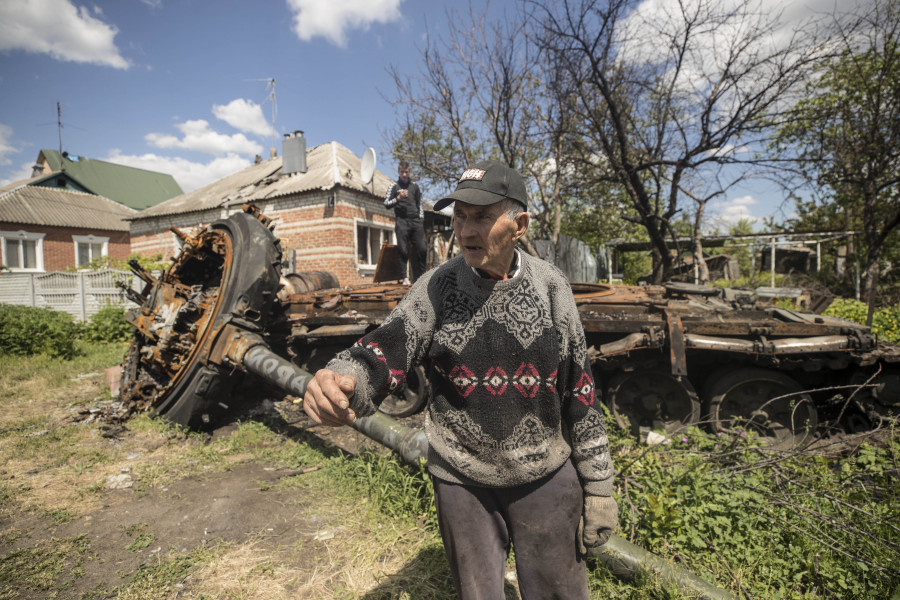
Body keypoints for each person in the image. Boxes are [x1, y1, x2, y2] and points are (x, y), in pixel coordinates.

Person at [304, 160, 617, 599]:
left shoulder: (552, 288)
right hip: (462, 477)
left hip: (544, 475)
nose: (465, 232)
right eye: (460, 217)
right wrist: (343, 381)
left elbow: (580, 391)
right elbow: (387, 346)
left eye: (482, 217)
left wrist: (599, 487)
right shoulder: (436, 287)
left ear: (519, 224)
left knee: (560, 592)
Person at [384, 160, 427, 283]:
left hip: (415, 221)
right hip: (402, 221)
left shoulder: (414, 186)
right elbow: (386, 203)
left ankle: (422, 277)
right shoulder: (394, 186)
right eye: (402, 172)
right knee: (403, 249)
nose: (404, 174)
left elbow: (420, 204)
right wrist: (398, 198)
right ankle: (405, 277)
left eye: (406, 172)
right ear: (398, 172)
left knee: (422, 249)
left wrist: (420, 219)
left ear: (409, 172)